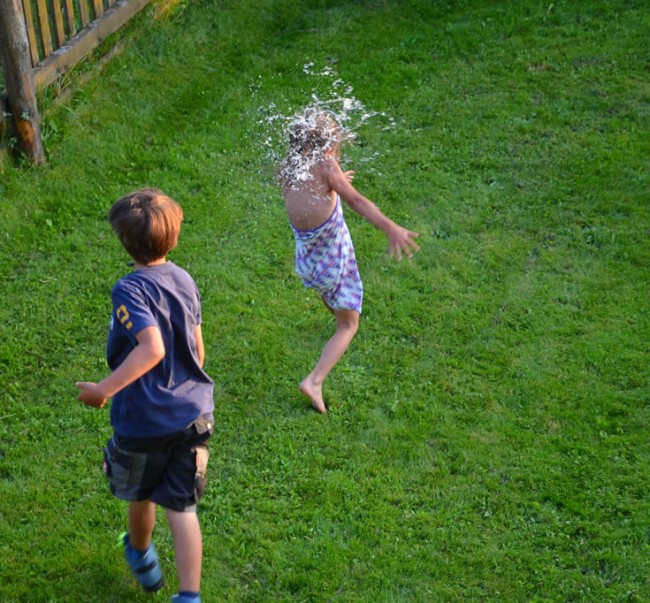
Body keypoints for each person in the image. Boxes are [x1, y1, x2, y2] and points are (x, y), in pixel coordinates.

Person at [75, 189, 214, 603]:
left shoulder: (129, 289)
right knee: (182, 507)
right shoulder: (184, 279)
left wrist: (103, 390)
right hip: (193, 415)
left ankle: (140, 554)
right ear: (173, 240)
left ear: (124, 242)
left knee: (141, 491)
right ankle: (189, 596)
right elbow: (199, 350)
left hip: (143, 420)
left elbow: (151, 348)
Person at [280, 109, 420, 414]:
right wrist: (391, 228)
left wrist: (335, 181)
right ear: (329, 146)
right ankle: (314, 381)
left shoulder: (290, 164)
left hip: (308, 263)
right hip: (332, 262)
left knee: (332, 294)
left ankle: (335, 309)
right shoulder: (327, 165)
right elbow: (355, 201)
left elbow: (308, 193)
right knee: (349, 324)